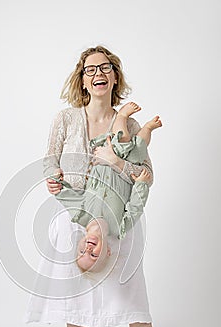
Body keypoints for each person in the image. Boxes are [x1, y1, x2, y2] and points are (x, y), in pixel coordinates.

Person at [24, 45, 166, 327]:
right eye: (90, 70)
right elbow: (49, 161)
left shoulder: (131, 125)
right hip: (76, 219)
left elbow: (146, 176)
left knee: (134, 297)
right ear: (83, 79)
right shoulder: (65, 119)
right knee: (77, 301)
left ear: (114, 76)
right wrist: (53, 177)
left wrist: (115, 164)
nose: (98, 73)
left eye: (105, 68)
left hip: (116, 216)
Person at [50, 102, 161, 272]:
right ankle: (149, 128)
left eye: (81, 252)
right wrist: (141, 185)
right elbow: (135, 206)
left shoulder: (80, 215)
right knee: (139, 147)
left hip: (105, 153)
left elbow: (65, 195)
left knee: (121, 139)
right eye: (93, 255)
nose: (88, 249)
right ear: (108, 251)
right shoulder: (120, 228)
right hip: (128, 165)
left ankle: (122, 116)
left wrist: (57, 182)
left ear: (78, 243)